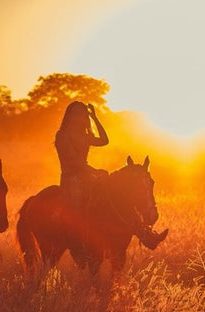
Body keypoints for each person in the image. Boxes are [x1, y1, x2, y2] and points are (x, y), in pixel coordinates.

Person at [54, 100, 167, 249]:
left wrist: (94, 118)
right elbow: (73, 162)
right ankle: (82, 243)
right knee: (80, 208)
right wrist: (94, 171)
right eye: (76, 114)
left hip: (88, 175)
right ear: (69, 116)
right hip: (72, 178)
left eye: (82, 114)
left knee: (117, 198)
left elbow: (104, 140)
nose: (79, 117)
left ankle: (146, 234)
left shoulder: (84, 135)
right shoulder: (63, 135)